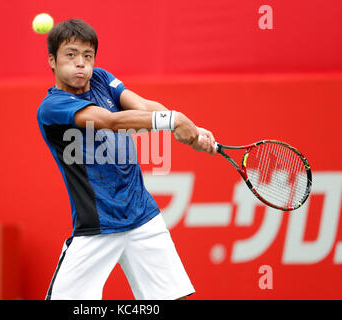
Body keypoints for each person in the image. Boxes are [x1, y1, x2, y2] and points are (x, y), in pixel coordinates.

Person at [37, 18, 216, 300]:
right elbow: (109, 121)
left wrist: (191, 129)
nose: (81, 63)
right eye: (71, 55)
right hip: (96, 226)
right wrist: (173, 120)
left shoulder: (101, 79)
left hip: (142, 216)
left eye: (88, 56)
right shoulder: (52, 107)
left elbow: (144, 107)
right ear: (52, 60)